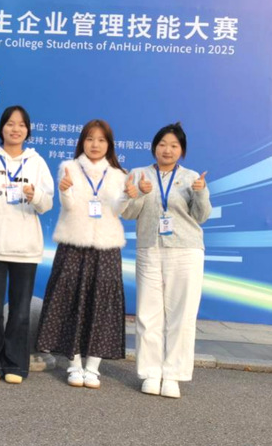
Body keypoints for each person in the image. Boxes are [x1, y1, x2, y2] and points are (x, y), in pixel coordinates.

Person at [36, 119, 137, 388]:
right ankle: (74, 365)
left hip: (106, 247)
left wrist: (128, 196)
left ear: (109, 145)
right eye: (90, 139)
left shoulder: (118, 174)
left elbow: (119, 210)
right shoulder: (69, 168)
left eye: (101, 140)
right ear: (82, 141)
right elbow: (68, 206)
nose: (95, 145)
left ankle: (93, 368)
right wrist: (65, 190)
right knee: (72, 303)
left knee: (101, 306)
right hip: (74, 244)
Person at [122, 122, 211, 398]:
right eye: (162, 144)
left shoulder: (192, 177)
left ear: (182, 150)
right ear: (154, 148)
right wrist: (139, 193)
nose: (167, 150)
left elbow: (201, 216)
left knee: (181, 316)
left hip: (186, 251)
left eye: (174, 145)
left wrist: (201, 191)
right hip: (149, 249)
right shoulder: (138, 174)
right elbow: (128, 213)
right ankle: (150, 373)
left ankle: (173, 375)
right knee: (147, 315)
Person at [0, 106, 54, 384]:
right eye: (10, 123)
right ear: (1, 128)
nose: (15, 129)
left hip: (26, 249)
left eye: (21, 125)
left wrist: (34, 195)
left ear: (28, 130)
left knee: (19, 312)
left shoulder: (37, 163)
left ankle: (15, 364)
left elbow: (47, 203)